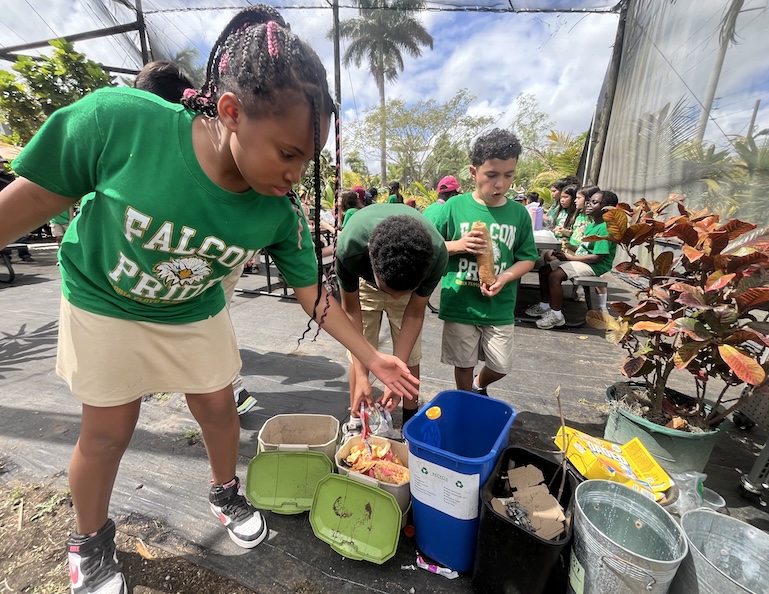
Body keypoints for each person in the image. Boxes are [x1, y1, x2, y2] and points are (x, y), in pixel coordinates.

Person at [0, 6, 417, 593]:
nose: (297, 174)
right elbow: (21, 207)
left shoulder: (277, 210)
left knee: (221, 411)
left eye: (308, 160)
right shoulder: (120, 123)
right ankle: (89, 541)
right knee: (108, 431)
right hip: (104, 301)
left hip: (192, 309)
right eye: (288, 153)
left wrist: (370, 358)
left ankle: (225, 492)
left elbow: (314, 297)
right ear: (230, 111)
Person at [134, 59, 256, 414]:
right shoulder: (149, 139)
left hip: (212, 252)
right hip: (188, 252)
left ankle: (229, 387)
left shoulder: (195, 135)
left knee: (212, 314)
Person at [433, 129, 538, 395]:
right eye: (492, 175)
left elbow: (527, 259)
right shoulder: (454, 207)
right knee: (463, 363)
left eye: (508, 175)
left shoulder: (519, 214)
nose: (500, 184)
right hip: (461, 303)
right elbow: (429, 246)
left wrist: (504, 277)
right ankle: (465, 398)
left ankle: (479, 385)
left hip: (499, 306)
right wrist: (458, 245)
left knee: (501, 364)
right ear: (473, 172)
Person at [336, 204, 448, 440]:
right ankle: (356, 421)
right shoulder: (350, 248)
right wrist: (364, 377)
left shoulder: (436, 255)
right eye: (391, 292)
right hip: (367, 284)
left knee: (411, 355)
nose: (395, 298)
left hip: (410, 280)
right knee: (361, 346)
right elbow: (352, 312)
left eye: (401, 294)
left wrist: (395, 379)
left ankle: (409, 426)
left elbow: (414, 314)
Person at [525, 190, 619, 329]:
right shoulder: (593, 224)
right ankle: (545, 305)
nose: (589, 205)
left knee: (555, 276)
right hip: (582, 260)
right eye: (588, 202)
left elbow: (598, 256)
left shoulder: (605, 228)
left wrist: (570, 257)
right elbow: (585, 248)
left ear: (608, 207)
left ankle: (557, 316)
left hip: (595, 265)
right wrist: (568, 247)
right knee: (545, 270)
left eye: (594, 202)